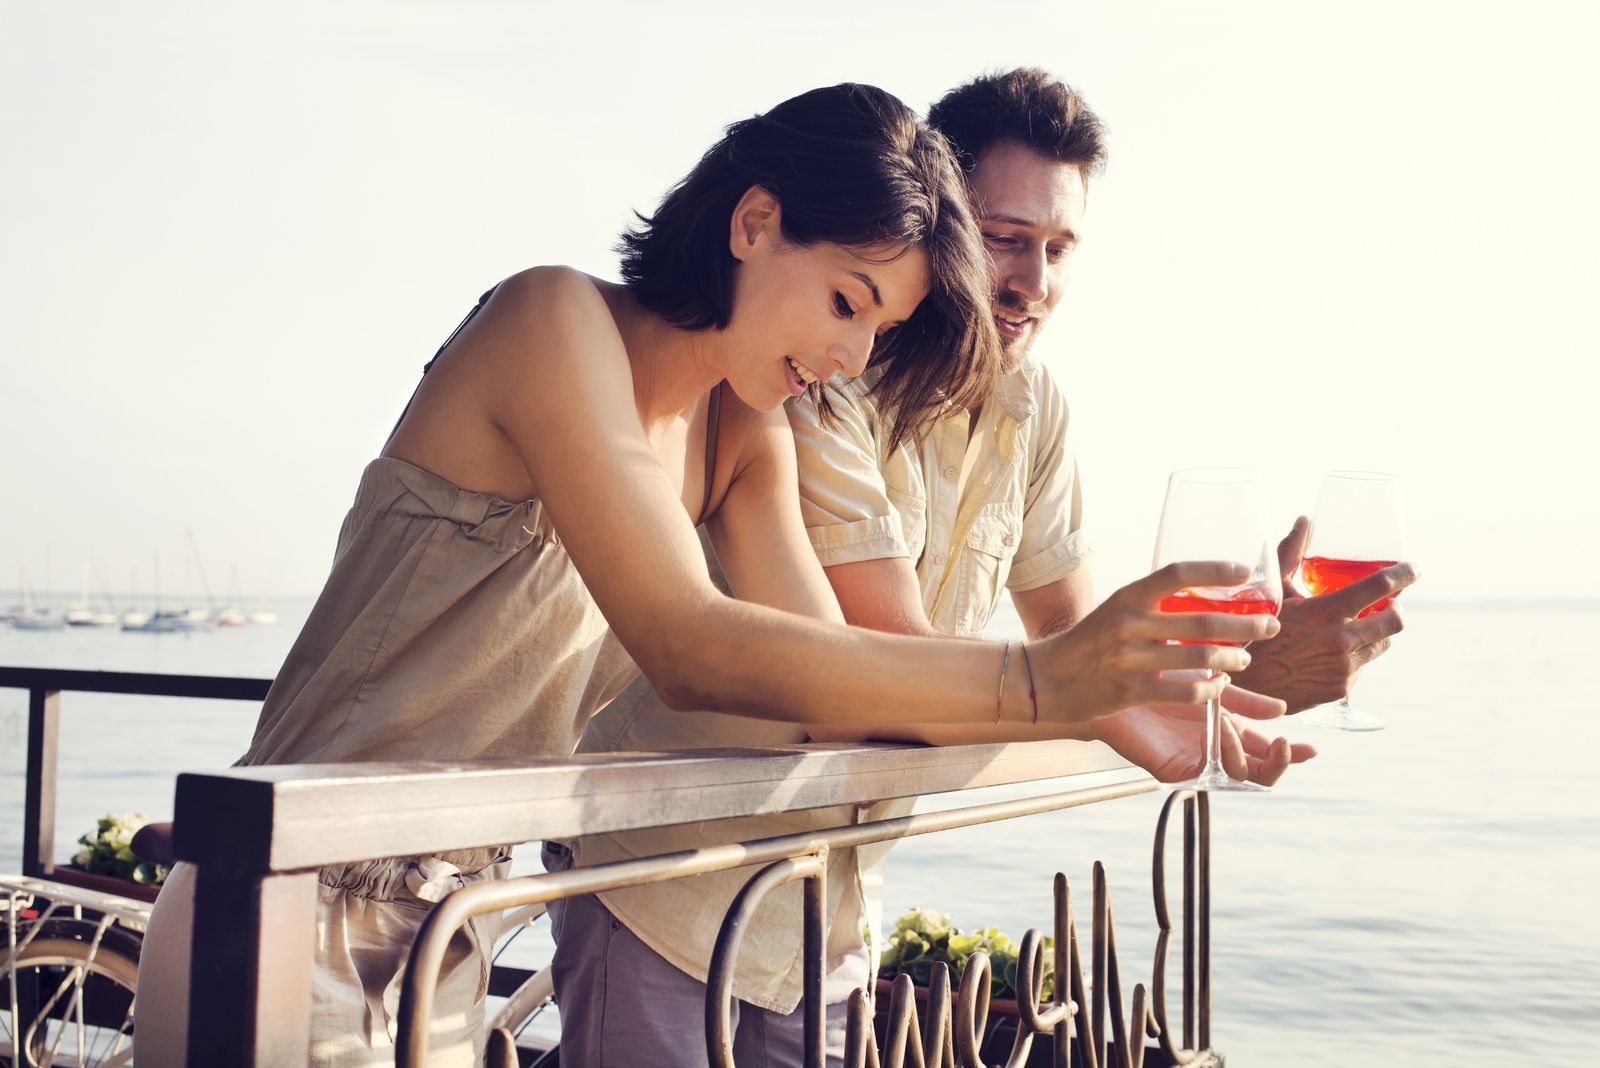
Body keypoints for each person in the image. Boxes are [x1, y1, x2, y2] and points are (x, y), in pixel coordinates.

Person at [132, 82, 1282, 1067]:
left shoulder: (743, 430)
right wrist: (1046, 679)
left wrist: (1132, 690)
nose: (846, 357)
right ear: (752, 222)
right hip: (285, 905)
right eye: (844, 300)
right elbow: (687, 642)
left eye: (876, 333)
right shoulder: (549, 319)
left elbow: (828, 673)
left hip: (456, 920)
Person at [565, 68, 1416, 1067]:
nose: (1033, 281)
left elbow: (1081, 644)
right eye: (1006, 239)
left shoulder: (1032, 408)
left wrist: (1239, 667)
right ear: (937, 227)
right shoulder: (811, 371)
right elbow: (889, 669)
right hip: (673, 882)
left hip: (832, 904)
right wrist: (1145, 682)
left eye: (1059, 249)